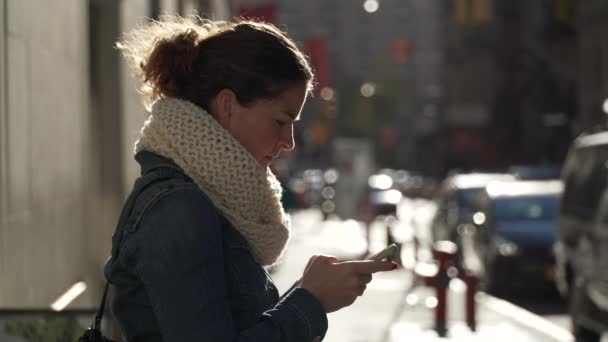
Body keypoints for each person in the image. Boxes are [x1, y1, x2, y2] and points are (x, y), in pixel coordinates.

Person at [104, 15, 397, 342]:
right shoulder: (179, 208)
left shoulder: (210, 198)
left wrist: (309, 292)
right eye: (280, 121)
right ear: (227, 105)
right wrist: (309, 301)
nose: (289, 142)